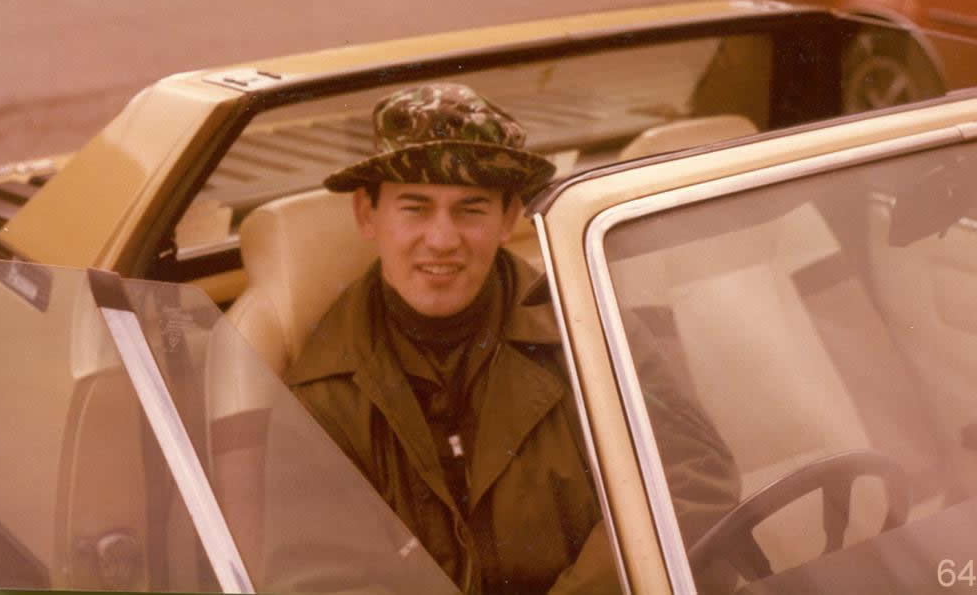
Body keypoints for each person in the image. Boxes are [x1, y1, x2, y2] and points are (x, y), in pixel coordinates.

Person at [285, 83, 740, 594]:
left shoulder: (586, 326)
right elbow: (316, 579)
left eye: (470, 209)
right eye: (415, 208)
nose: (442, 239)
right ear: (367, 215)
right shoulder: (320, 396)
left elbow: (693, 480)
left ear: (507, 218)